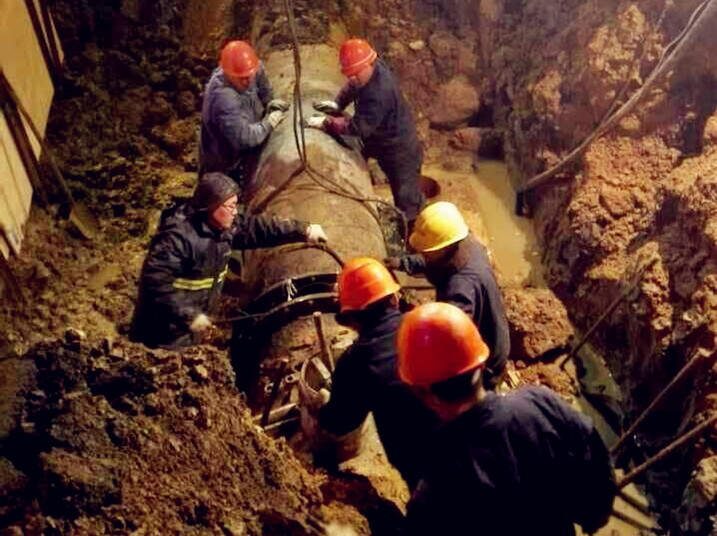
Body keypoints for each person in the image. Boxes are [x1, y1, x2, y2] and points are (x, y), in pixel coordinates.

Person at [396, 302, 616, 536]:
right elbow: (598, 468)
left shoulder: (438, 485)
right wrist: (591, 516)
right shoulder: (541, 403)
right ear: (481, 363)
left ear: (422, 391)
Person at [131, 172, 327, 349]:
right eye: (231, 206)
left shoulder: (223, 227)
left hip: (191, 324)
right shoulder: (177, 239)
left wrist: (303, 230)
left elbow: (260, 229)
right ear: (212, 206)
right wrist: (188, 315)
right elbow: (155, 284)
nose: (235, 212)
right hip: (163, 333)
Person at [300, 258, 439, 490]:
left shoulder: (357, 361)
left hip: (426, 469)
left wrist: (322, 409)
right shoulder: (430, 322)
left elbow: (340, 423)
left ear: (352, 319)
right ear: (394, 299)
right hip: (477, 438)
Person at [387, 201, 510, 389]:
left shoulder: (460, 288)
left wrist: (412, 325)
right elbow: (432, 260)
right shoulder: (467, 245)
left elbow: (450, 339)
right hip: (493, 335)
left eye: (426, 251)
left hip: (485, 363)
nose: (421, 252)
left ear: (444, 248)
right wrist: (403, 263)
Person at [306, 38, 425, 225]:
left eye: (355, 74)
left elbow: (357, 128)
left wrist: (327, 123)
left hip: (400, 150)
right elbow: (353, 86)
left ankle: (412, 231)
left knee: (406, 197)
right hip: (380, 137)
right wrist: (338, 103)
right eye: (349, 74)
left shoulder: (379, 93)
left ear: (370, 63)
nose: (352, 78)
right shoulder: (368, 70)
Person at [199, 40, 290, 190]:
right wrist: (269, 124)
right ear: (227, 74)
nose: (247, 81)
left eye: (250, 75)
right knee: (222, 193)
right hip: (223, 160)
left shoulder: (250, 69)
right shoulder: (223, 98)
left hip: (245, 132)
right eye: (241, 78)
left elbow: (263, 85)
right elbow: (245, 138)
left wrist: (269, 102)